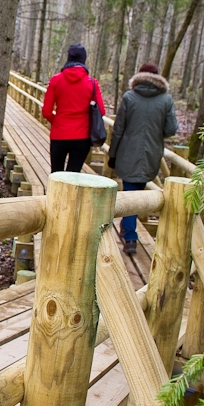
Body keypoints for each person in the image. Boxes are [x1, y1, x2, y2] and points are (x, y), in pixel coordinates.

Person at [108, 62, 179, 255]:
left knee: (130, 191)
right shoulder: (166, 99)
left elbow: (118, 129)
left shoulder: (130, 97)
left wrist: (112, 154)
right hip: (151, 153)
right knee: (136, 190)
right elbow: (171, 129)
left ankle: (130, 236)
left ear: (138, 76)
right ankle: (127, 228)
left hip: (127, 153)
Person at [42, 43, 105, 174]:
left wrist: (58, 121)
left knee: (56, 175)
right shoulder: (92, 83)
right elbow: (101, 111)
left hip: (59, 135)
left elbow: (46, 111)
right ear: (84, 59)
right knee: (73, 176)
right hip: (82, 136)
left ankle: (54, 195)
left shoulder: (56, 80)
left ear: (68, 58)